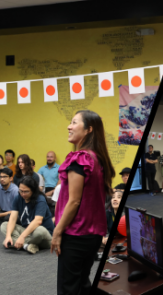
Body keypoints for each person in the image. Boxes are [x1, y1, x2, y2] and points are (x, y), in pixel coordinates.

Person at [53, 110, 113, 295]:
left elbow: (74, 201)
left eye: (74, 122)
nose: (69, 126)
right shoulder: (97, 158)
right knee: (81, 284)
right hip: (92, 235)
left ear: (88, 130)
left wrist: (57, 231)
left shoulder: (80, 158)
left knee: (68, 288)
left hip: (76, 233)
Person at [2, 176, 54, 254]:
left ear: (33, 190)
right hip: (27, 232)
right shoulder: (18, 198)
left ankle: (16, 242)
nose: (23, 194)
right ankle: (27, 246)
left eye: (26, 191)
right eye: (20, 191)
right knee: (4, 225)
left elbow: (38, 221)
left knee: (40, 230)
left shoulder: (40, 199)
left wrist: (22, 237)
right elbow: (12, 218)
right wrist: (8, 236)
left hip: (44, 236)